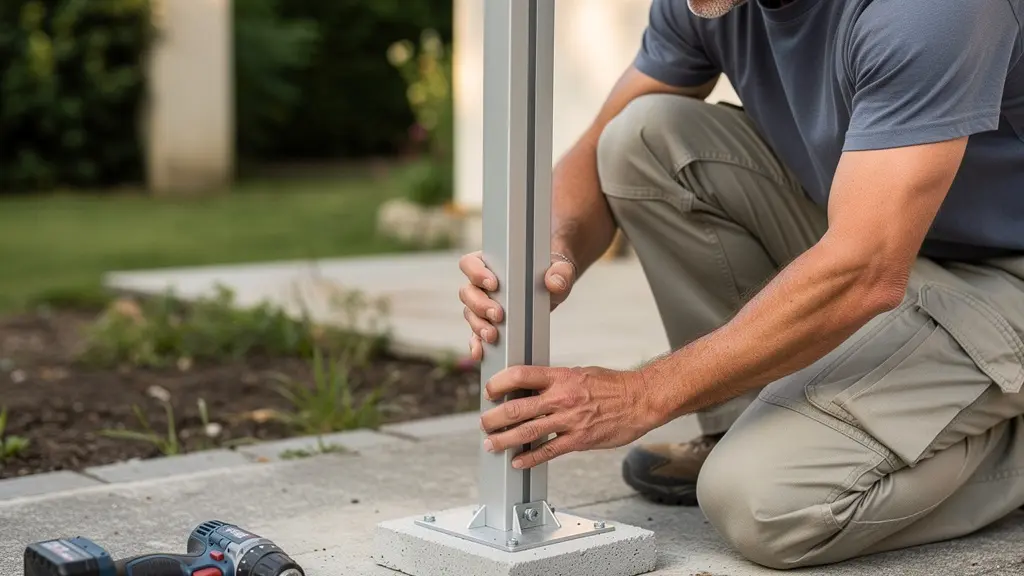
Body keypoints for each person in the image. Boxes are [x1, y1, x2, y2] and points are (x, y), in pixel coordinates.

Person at [459, 0, 1024, 569]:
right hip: (891, 236)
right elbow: (595, 148)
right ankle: (743, 422)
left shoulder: (927, 11)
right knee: (645, 136)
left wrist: (646, 394)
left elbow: (867, 270)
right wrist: (551, 254)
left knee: (765, 504)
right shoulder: (708, 3)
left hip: (1002, 271)